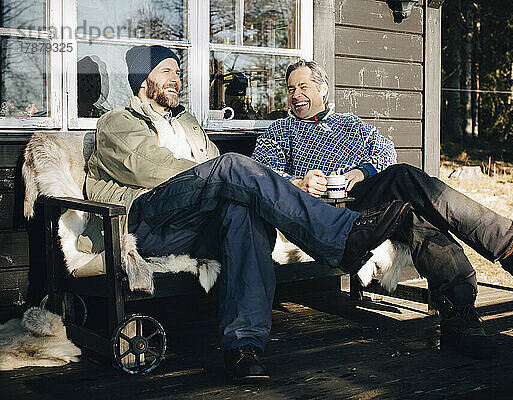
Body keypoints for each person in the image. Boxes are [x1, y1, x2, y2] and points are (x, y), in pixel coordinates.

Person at [84, 45, 409, 382]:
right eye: (166, 71)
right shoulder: (117, 122)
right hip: (145, 221)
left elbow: (215, 175)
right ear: (142, 80)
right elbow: (152, 170)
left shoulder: (188, 123)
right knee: (230, 166)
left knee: (244, 214)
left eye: (178, 72)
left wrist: (220, 176)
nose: (176, 79)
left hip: (194, 227)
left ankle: (243, 348)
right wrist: (218, 173)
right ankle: (342, 235)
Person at [252, 60, 513, 360]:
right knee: (411, 206)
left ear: (323, 88)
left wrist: (363, 171)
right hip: (315, 210)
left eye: (303, 87)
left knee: (403, 181)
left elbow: (384, 149)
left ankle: (464, 311)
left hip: (360, 197)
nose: (296, 94)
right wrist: (297, 183)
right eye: (291, 89)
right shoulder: (279, 130)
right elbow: (261, 175)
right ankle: (507, 255)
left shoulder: (350, 125)